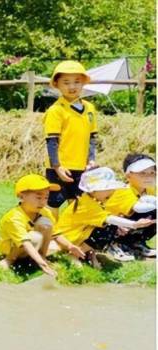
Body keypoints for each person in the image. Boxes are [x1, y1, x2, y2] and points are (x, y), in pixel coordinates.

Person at [53, 167, 155, 268]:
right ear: (93, 191)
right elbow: (109, 219)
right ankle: (72, 255)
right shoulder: (87, 205)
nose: (112, 191)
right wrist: (134, 224)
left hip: (78, 236)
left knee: (108, 227)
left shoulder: (93, 200)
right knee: (108, 227)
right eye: (107, 188)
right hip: (67, 240)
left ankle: (87, 253)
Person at [43, 60, 99, 218]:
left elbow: (92, 137)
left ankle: (70, 238)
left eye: (77, 82)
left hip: (81, 167)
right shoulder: (56, 110)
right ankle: (50, 238)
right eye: (66, 82)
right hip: (60, 167)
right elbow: (51, 140)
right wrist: (57, 167)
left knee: (77, 204)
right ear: (57, 84)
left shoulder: (90, 109)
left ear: (83, 83)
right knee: (53, 203)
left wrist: (91, 160)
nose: (72, 86)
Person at [0, 174, 60, 276]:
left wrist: (71, 247)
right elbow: (25, 242)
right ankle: (9, 260)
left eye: (46, 197)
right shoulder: (14, 217)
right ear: (22, 197)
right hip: (14, 248)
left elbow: (56, 234)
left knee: (48, 229)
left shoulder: (45, 212)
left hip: (33, 244)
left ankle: (41, 257)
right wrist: (43, 266)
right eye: (38, 197)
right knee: (35, 237)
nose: (43, 202)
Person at [105, 153, 157, 258]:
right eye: (142, 173)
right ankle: (113, 245)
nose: (148, 177)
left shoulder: (149, 189)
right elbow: (138, 208)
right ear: (128, 175)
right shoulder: (123, 190)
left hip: (128, 225)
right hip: (111, 225)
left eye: (152, 172)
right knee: (147, 209)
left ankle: (136, 243)